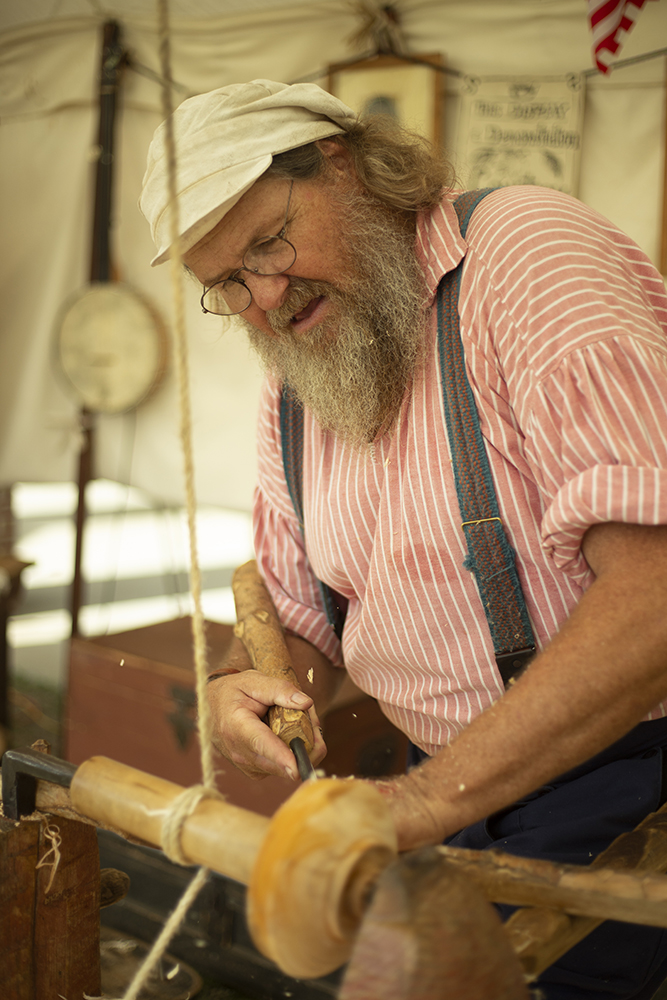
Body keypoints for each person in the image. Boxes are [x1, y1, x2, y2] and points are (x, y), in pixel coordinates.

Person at [141, 79, 667, 998]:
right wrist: (245, 681)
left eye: (268, 242)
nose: (263, 298)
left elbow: (656, 590)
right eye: (226, 283)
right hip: (443, 786)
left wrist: (422, 803)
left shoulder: (526, 258)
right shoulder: (303, 361)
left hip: (624, 780)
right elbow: (296, 611)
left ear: (344, 166)